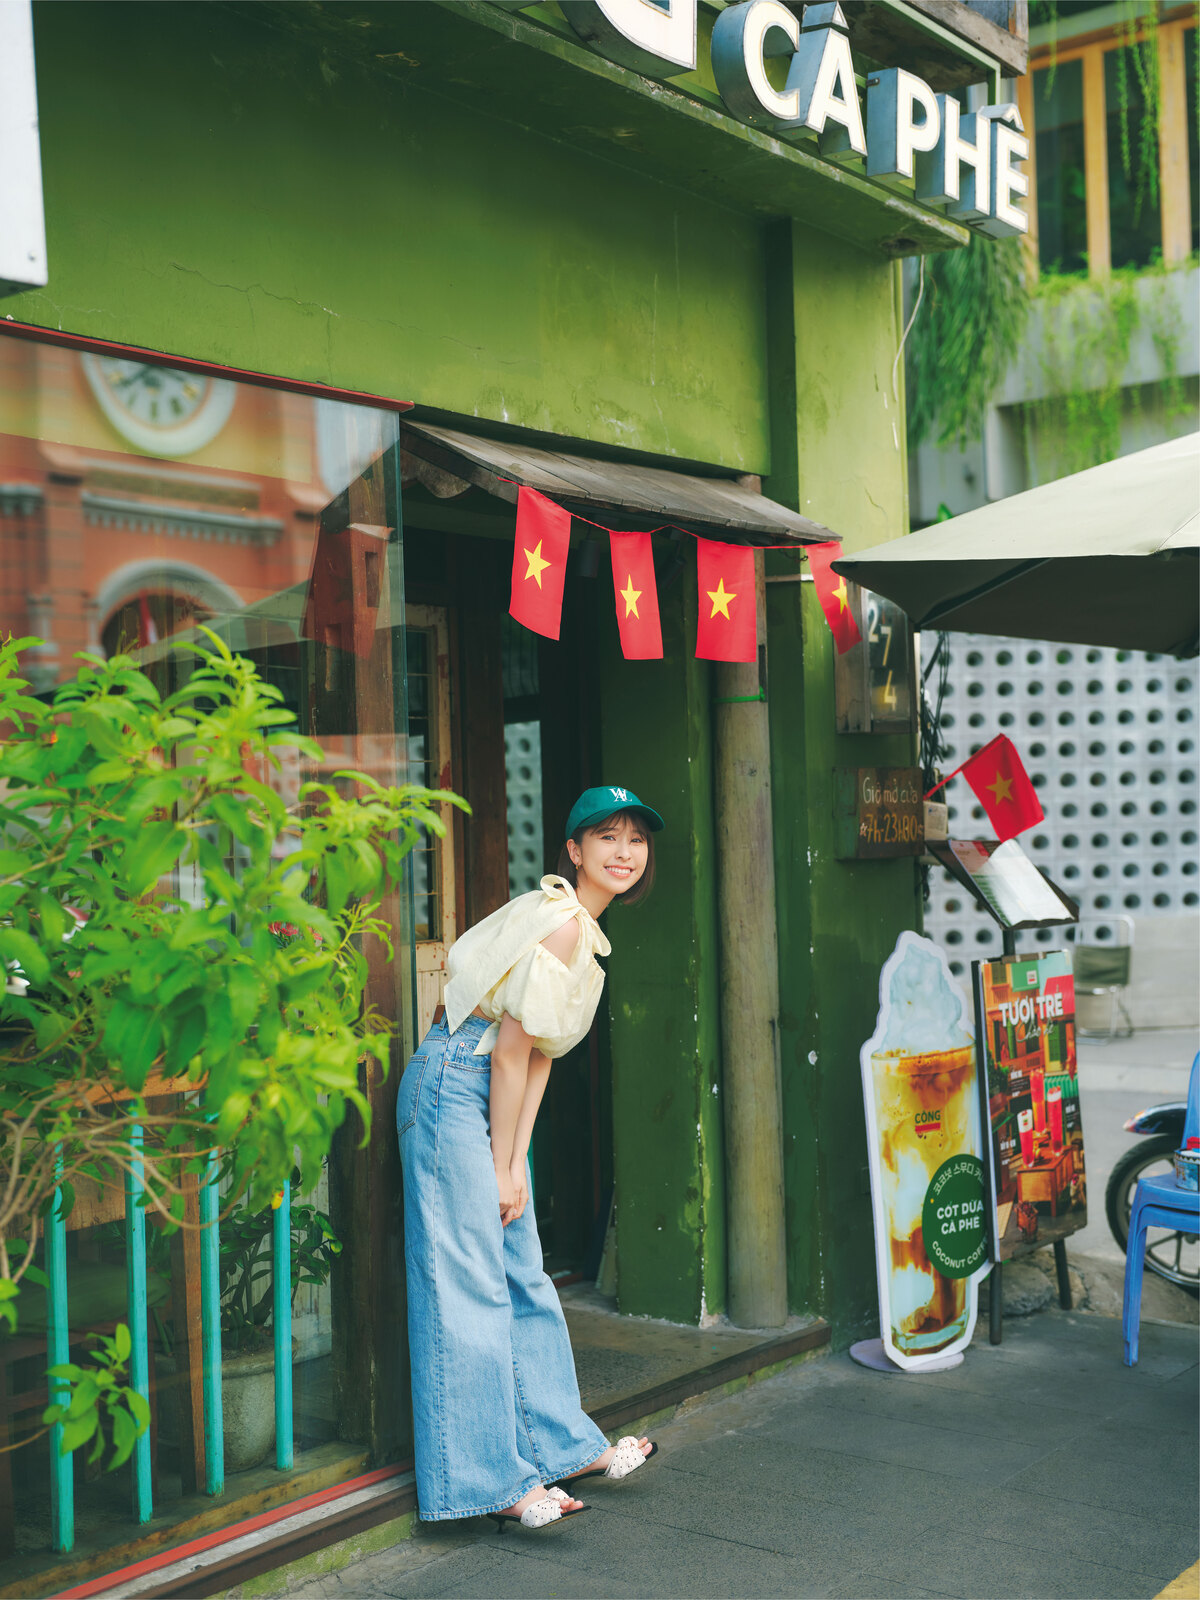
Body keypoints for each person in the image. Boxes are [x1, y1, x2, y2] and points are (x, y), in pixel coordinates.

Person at [396, 786, 664, 1531]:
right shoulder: (563, 926)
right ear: (572, 852)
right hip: (458, 1084)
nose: (622, 851)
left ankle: (561, 1446)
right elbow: (509, 1054)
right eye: (604, 837)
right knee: (471, 1288)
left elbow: (538, 1055)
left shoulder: (582, 930)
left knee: (522, 1273)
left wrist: (512, 1158)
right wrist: (505, 1163)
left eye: (636, 840)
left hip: (486, 1092)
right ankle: (488, 1484)